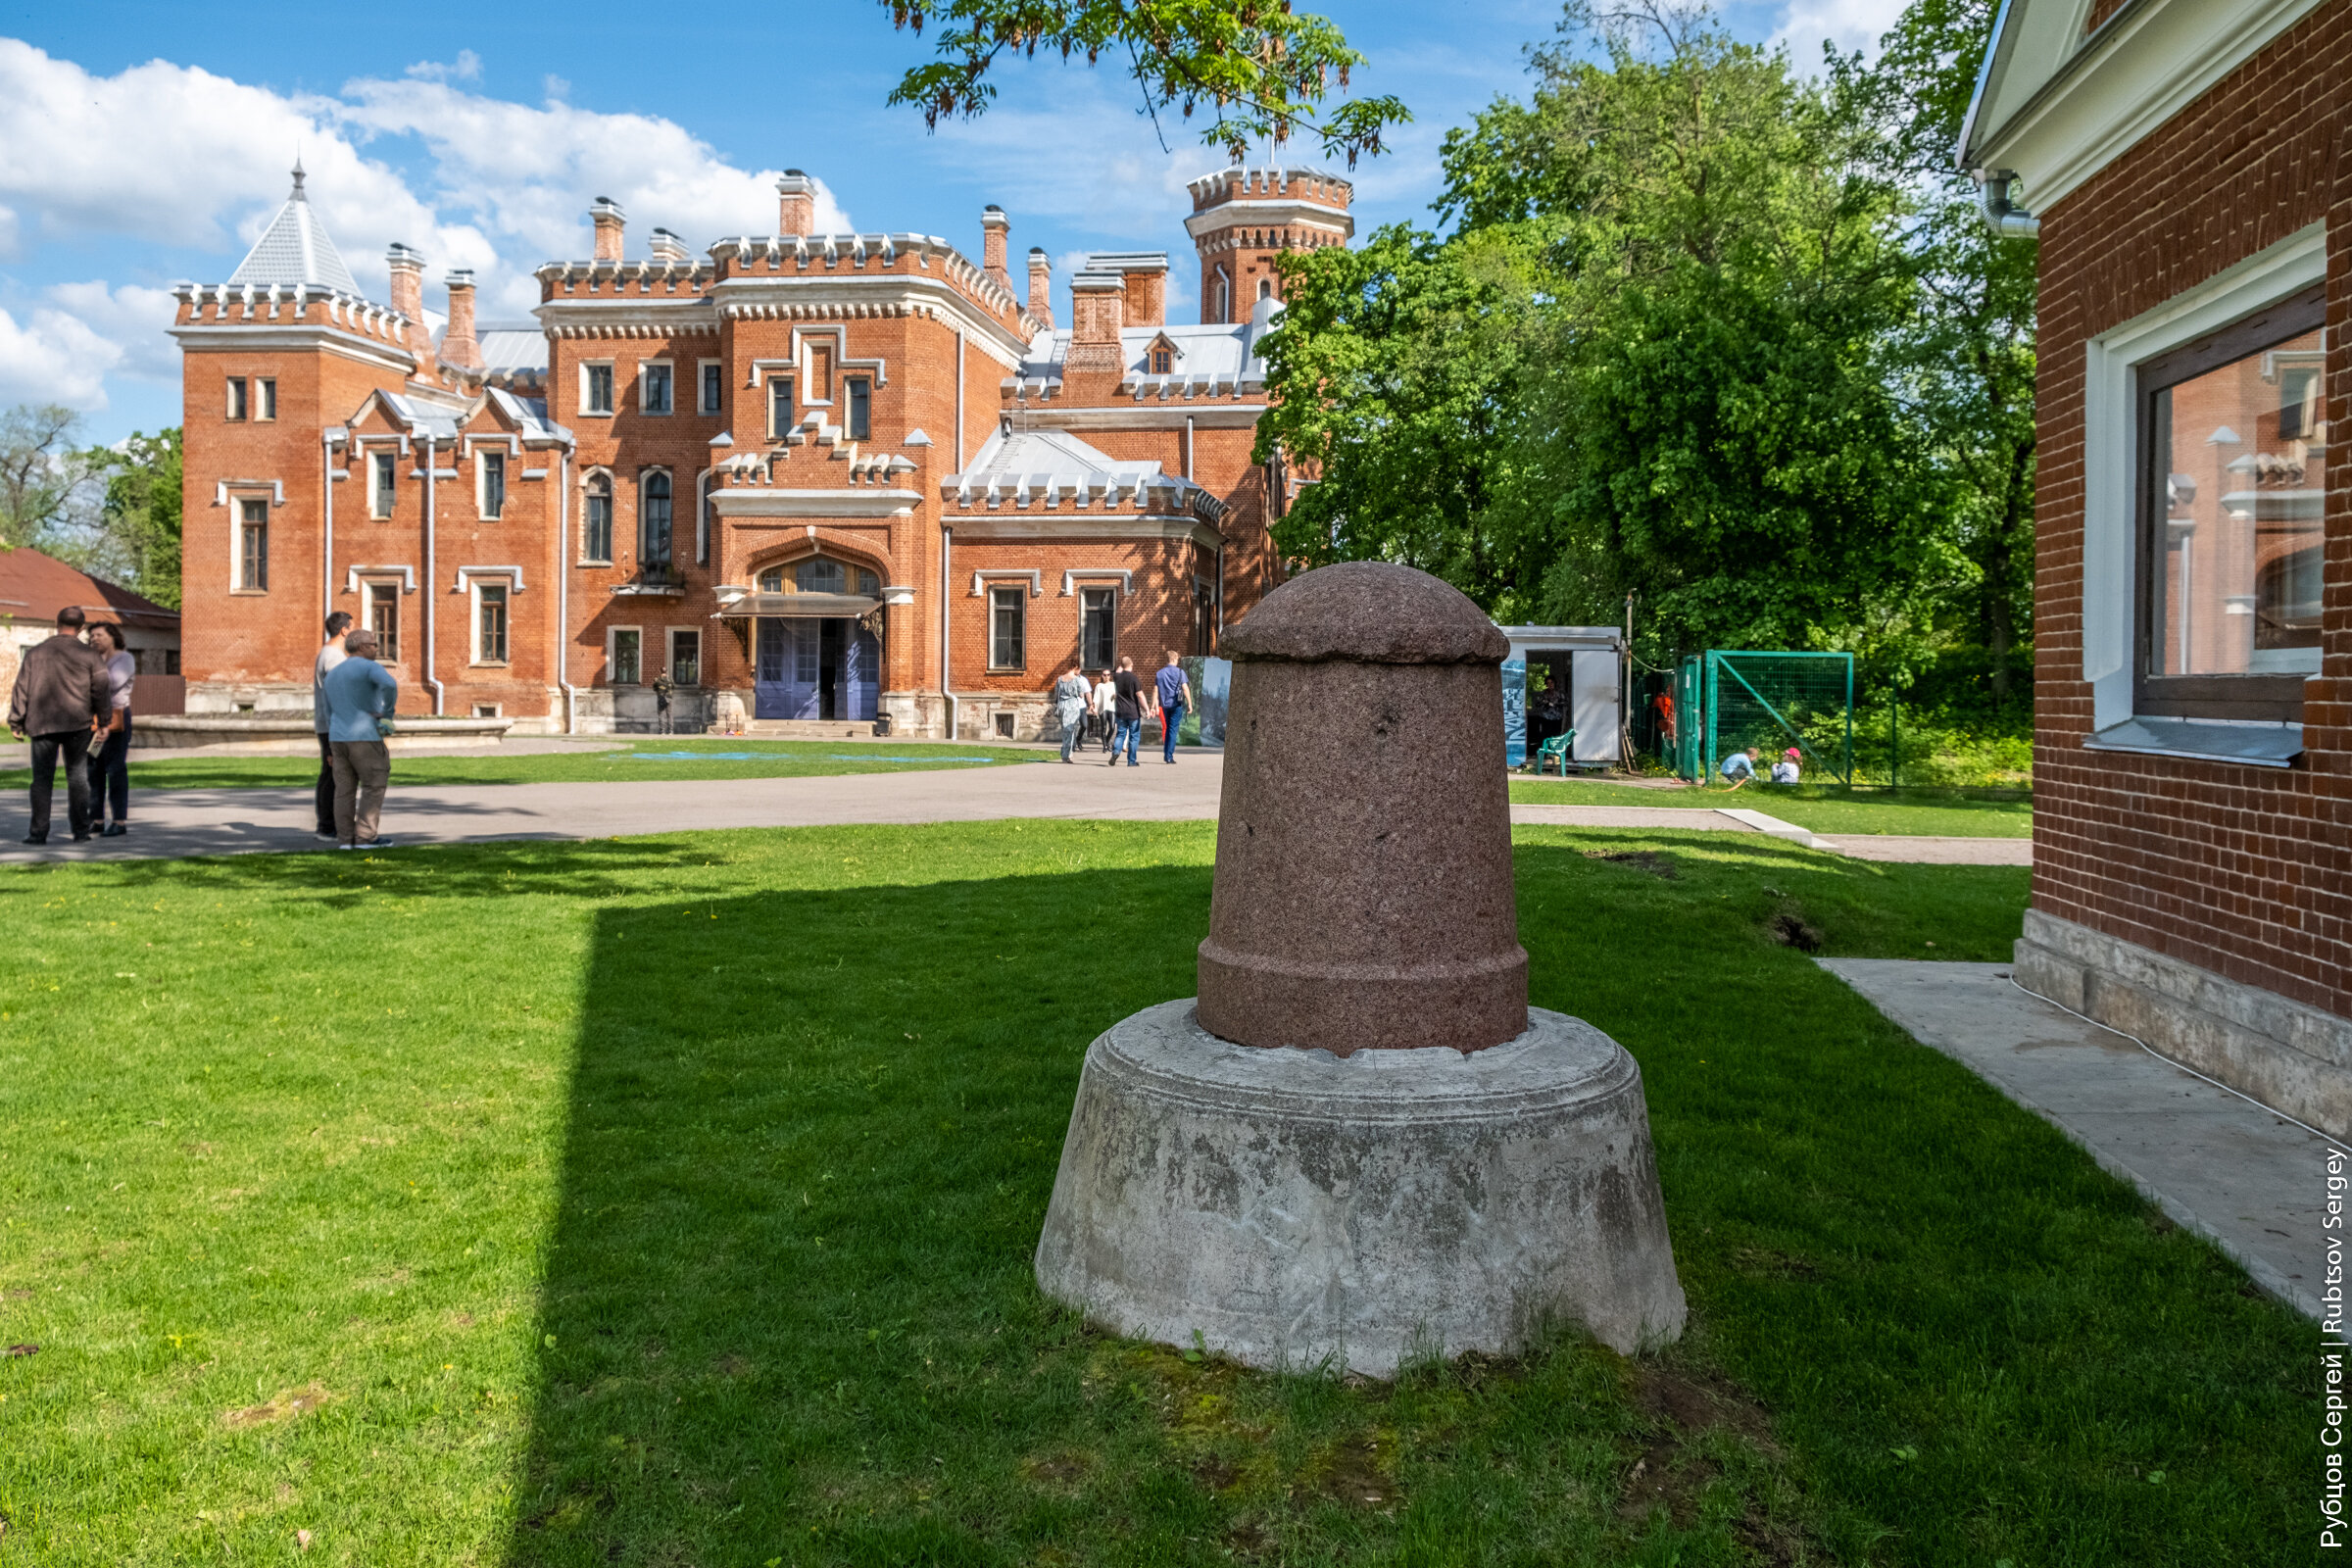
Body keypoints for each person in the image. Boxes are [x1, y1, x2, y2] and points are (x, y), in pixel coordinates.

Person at [7, 606, 110, 844]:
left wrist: (16, 720)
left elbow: (22, 688)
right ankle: (81, 831)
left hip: (42, 723)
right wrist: (104, 721)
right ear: (82, 628)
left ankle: (38, 833)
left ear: (57, 624)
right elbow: (101, 690)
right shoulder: (90, 656)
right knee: (78, 777)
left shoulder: (35, 653)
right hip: (78, 723)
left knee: (42, 780)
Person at [322, 626, 400, 849]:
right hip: (365, 736)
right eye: (374, 644)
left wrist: (329, 747)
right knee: (373, 786)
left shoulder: (334, 673)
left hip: (337, 737)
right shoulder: (369, 667)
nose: (377, 648)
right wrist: (387, 713)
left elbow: (329, 711)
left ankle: (345, 840)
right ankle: (366, 837)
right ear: (363, 646)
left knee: (343, 791)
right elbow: (389, 684)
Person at [83, 622, 135, 836]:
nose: (94, 639)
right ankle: (96, 819)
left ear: (112, 636)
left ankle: (119, 821)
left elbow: (111, 684)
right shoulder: (94, 660)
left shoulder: (124, 659)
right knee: (94, 768)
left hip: (115, 720)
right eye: (92, 636)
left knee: (115, 769)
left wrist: (86, 680)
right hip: (94, 721)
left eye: (99, 635)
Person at [312, 612, 354, 840]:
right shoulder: (334, 657)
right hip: (333, 727)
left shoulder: (328, 654)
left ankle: (329, 825)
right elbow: (338, 695)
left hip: (328, 725)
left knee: (330, 774)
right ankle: (329, 826)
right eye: (352, 628)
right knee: (335, 775)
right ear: (344, 630)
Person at [1106, 655, 1147, 767]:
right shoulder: (1134, 679)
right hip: (1133, 712)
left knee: (1120, 734)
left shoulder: (1117, 677)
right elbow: (1140, 695)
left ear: (1122, 665)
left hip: (1120, 711)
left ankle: (1115, 752)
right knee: (1134, 736)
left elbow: (1119, 670)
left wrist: (1122, 665)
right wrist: (1147, 709)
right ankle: (1131, 761)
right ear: (1132, 665)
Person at [1154, 651, 1192, 764]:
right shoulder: (1180, 672)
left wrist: (1155, 705)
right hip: (1176, 704)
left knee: (1167, 729)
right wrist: (1190, 703)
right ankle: (1169, 756)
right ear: (1175, 659)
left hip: (1164, 705)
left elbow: (1156, 690)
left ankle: (1166, 754)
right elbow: (1185, 688)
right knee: (1172, 730)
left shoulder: (1159, 673)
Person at [1051, 662, 1092, 763]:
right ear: (1075, 668)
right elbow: (1081, 695)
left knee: (1065, 730)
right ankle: (1067, 755)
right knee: (1070, 730)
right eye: (1079, 669)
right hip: (1072, 705)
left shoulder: (1060, 679)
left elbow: (1056, 695)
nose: (1080, 672)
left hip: (1061, 706)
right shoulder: (1077, 680)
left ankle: (1065, 753)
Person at [1091, 667, 1119, 755]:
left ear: (1110, 676)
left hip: (1112, 708)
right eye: (1104, 675)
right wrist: (1095, 707)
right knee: (1103, 727)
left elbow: (1118, 695)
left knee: (1112, 727)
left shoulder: (1114, 684)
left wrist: (1115, 695)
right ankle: (1105, 746)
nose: (1106, 676)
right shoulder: (1099, 686)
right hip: (1103, 708)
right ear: (1102, 676)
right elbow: (1096, 698)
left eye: (1108, 675)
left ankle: (1107, 741)